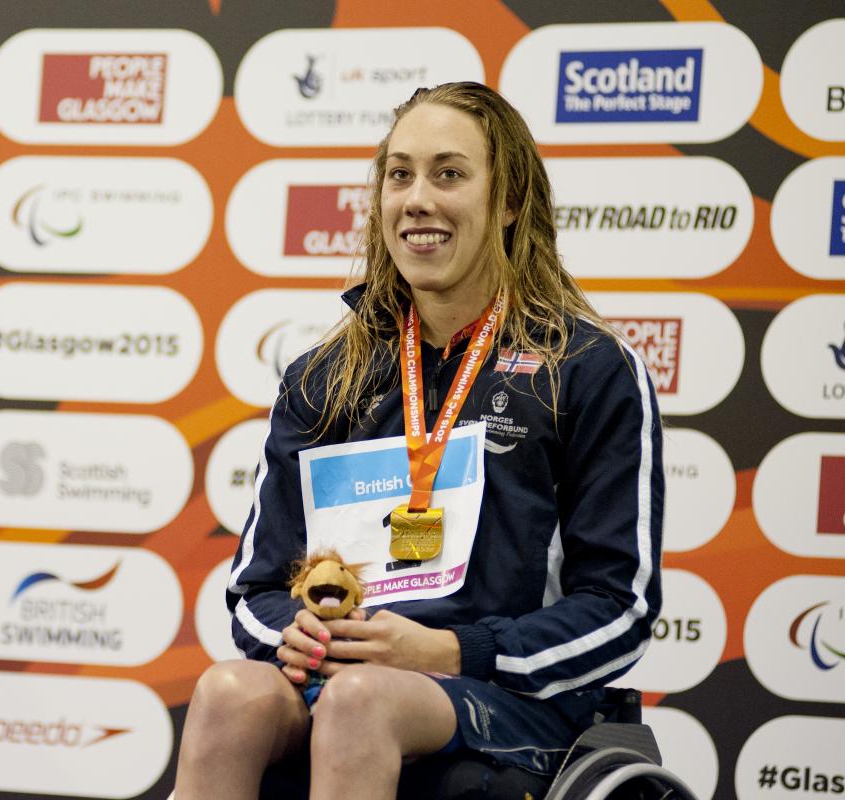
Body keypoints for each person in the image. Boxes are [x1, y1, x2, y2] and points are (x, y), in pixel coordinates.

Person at [174, 82, 663, 800]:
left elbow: (620, 606)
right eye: (399, 174)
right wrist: (295, 634)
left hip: (507, 696)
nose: (417, 199)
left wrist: (454, 650)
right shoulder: (326, 375)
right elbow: (255, 588)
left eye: (449, 173)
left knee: (361, 702)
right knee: (226, 694)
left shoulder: (585, 369)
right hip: (341, 674)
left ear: (508, 202)